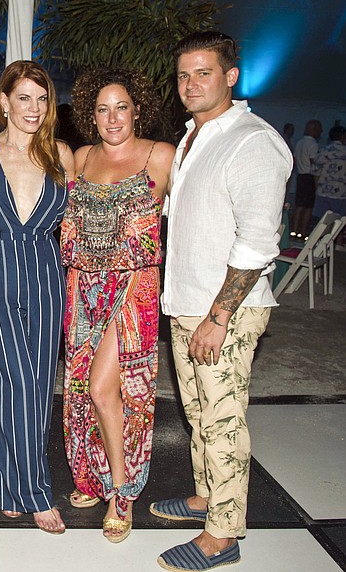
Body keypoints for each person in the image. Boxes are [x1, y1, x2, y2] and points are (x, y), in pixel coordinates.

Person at [152, 32, 291, 572]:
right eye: (184, 75)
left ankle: (223, 536)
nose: (190, 85)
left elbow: (258, 242)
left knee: (224, 420)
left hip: (223, 313)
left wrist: (218, 316)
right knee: (199, 416)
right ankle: (207, 498)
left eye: (203, 73)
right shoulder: (191, 139)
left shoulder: (253, 140)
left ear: (231, 76)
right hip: (187, 305)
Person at [60, 68, 173, 543]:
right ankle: (91, 474)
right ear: (92, 115)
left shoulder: (161, 156)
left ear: (137, 110)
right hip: (81, 289)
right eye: (102, 108)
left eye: (121, 106)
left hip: (131, 291)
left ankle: (121, 490)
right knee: (82, 389)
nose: (112, 117)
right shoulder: (81, 158)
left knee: (107, 389)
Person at [0, 60, 75, 534]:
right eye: (24, 98)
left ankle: (8, 480)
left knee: (30, 383)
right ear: (4, 102)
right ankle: (37, 490)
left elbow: (72, 228)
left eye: (42, 98)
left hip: (46, 274)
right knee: (16, 378)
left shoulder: (62, 155)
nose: (34, 108)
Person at [291, 119, 322, 239]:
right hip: (309, 177)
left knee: (299, 205)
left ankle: (295, 230)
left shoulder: (299, 142)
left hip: (300, 175)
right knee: (308, 207)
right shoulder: (313, 144)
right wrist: (317, 182)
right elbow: (314, 164)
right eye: (319, 129)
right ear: (313, 130)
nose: (321, 132)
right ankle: (303, 232)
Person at [313, 126, 346, 222]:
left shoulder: (323, 151)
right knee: (339, 224)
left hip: (323, 192)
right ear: (343, 136)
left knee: (322, 223)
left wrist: (317, 187)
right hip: (341, 194)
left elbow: (315, 172)